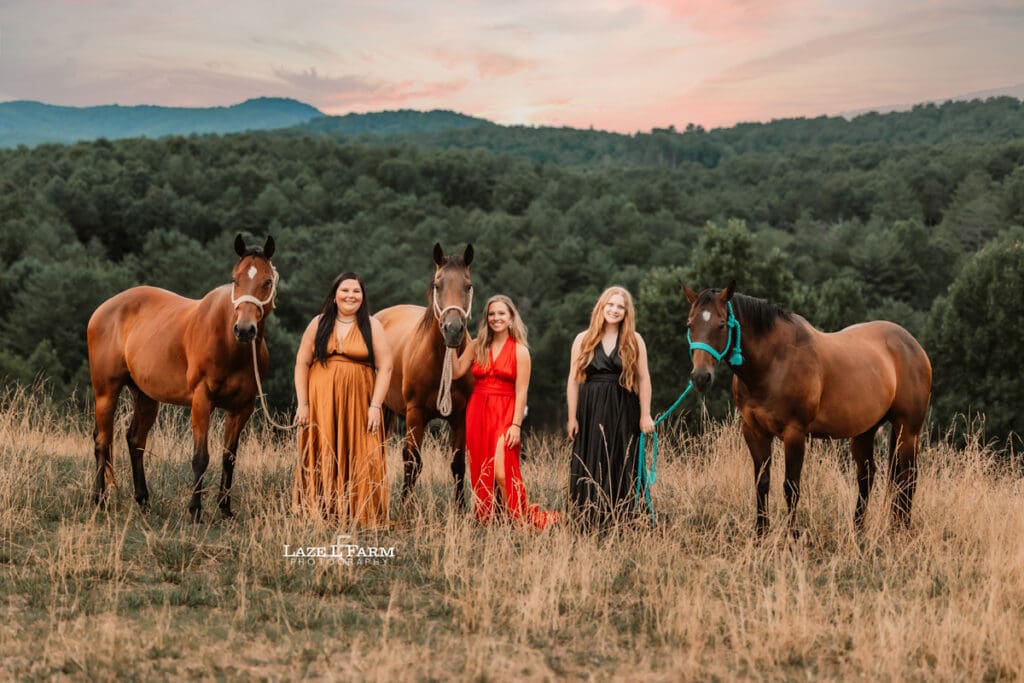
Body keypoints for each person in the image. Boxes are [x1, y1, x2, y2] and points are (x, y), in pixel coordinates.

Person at [293, 272, 393, 527]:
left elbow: (386, 367)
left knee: (361, 449)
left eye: (356, 291)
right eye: (345, 290)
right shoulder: (318, 323)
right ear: (334, 294)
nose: (350, 295)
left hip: (360, 401)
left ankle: (357, 512)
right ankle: (322, 510)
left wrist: (376, 406)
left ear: (363, 296)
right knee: (323, 446)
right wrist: (303, 404)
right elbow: (302, 363)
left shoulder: (372, 325)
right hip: (321, 401)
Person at [453, 295, 557, 529]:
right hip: (477, 411)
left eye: (501, 313)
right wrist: (450, 345)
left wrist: (516, 425)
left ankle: (519, 519)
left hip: (505, 412)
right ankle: (489, 515)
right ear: (486, 318)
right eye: (492, 314)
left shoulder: (520, 351)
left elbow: (522, 392)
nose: (496, 318)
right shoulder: (477, 345)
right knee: (481, 467)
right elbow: (457, 371)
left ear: (511, 318)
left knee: (501, 472)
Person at [567, 286, 654, 528]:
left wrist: (645, 414)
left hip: (624, 407)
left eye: (620, 307)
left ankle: (623, 520)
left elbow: (644, 378)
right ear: (601, 307)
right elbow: (573, 380)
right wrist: (571, 417)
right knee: (591, 458)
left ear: (626, 312)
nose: (615, 310)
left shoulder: (634, 340)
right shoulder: (582, 339)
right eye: (611, 305)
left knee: (621, 459)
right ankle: (589, 518)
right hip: (590, 408)